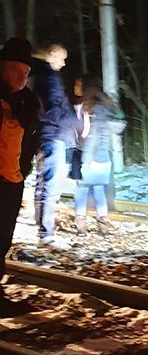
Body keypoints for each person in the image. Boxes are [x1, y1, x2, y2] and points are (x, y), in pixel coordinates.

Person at [0, 38, 39, 314]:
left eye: (26, 72)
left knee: (3, 238)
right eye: (16, 69)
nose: (22, 76)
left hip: (12, 180)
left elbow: (30, 139)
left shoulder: (27, 103)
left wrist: (23, 171)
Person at [30, 42, 81, 246]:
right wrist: (74, 122)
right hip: (54, 135)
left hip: (44, 136)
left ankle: (41, 228)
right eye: (61, 58)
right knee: (51, 185)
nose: (63, 63)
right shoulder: (50, 79)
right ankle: (46, 234)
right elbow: (53, 110)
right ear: (51, 55)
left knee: (43, 183)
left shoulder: (38, 76)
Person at [74, 83, 125, 235]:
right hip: (105, 160)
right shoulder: (109, 111)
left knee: (81, 191)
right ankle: (102, 224)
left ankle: (81, 224)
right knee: (99, 191)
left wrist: (87, 159)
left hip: (91, 159)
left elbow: (92, 138)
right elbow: (120, 124)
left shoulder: (91, 113)